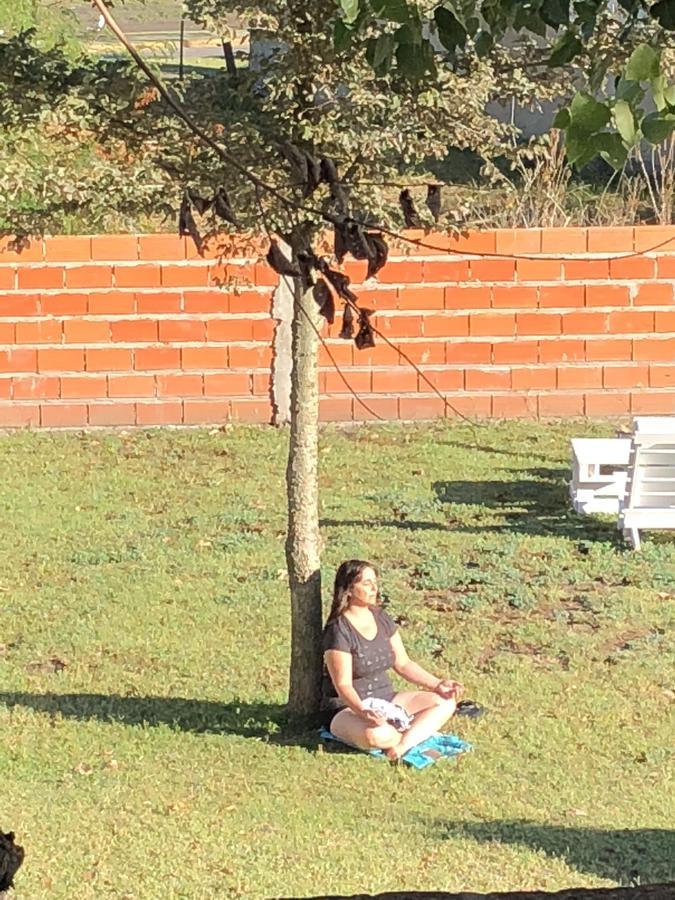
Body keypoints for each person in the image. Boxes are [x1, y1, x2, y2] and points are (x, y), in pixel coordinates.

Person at [321, 559, 463, 761]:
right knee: (375, 735)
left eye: (375, 582)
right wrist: (363, 712)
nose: (374, 588)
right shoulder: (338, 630)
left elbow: (403, 664)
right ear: (349, 590)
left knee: (445, 703)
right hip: (348, 709)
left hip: (387, 700)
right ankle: (412, 733)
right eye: (366, 583)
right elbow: (343, 685)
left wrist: (438, 684)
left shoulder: (381, 617)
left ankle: (402, 746)